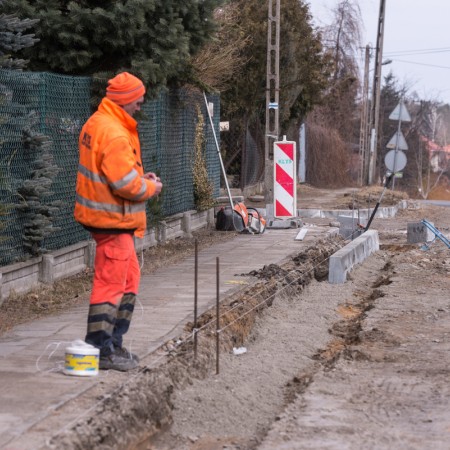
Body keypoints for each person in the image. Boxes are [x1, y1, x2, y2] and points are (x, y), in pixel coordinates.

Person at [74, 72, 163, 371]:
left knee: (128, 279)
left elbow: (116, 173)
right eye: (138, 100)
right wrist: (150, 187)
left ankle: (113, 343)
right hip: (112, 219)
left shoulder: (99, 123)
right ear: (125, 101)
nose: (140, 105)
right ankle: (101, 348)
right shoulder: (113, 132)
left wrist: (139, 177)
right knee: (111, 284)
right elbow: (125, 184)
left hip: (110, 218)